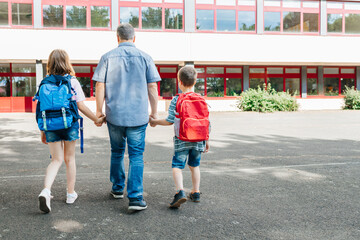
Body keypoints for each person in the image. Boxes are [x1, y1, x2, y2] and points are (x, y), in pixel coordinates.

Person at [92, 23, 161, 211]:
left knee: (117, 152)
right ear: (134, 38)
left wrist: (99, 111)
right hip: (138, 117)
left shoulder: (107, 57)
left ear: (117, 38)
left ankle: (117, 189)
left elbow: (100, 86)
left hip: (115, 115)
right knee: (136, 155)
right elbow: (153, 87)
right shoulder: (146, 58)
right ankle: (136, 198)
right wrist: (154, 113)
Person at [38, 49, 105, 213]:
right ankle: (70, 194)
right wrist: (97, 119)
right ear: (67, 62)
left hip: (50, 125)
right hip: (69, 124)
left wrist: (42, 131)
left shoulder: (44, 83)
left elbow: (40, 109)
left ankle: (46, 191)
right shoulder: (72, 81)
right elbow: (81, 106)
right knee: (70, 159)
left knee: (56, 160)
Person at [149, 66, 210, 208]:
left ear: (179, 82)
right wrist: (207, 140)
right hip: (199, 139)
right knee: (195, 165)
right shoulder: (201, 99)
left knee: (177, 165)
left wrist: (154, 122)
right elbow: (207, 121)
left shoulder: (176, 99)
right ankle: (196, 192)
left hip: (182, 139)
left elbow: (169, 120)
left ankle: (180, 192)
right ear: (195, 82)